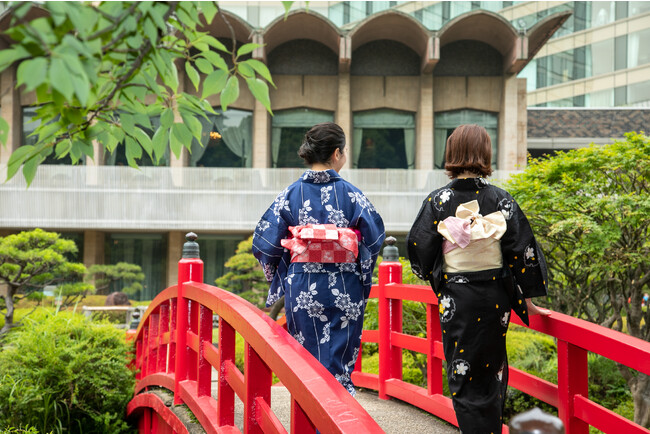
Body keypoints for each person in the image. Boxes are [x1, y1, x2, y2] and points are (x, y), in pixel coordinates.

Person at [407, 124, 551, 433]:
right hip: (494, 297)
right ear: (486, 153)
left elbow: (420, 249)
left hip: (457, 299)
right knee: (491, 371)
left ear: (451, 153)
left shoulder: (438, 200)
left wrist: (439, 277)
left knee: (462, 371)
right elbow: (522, 251)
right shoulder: (500, 199)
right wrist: (527, 298)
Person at [252, 122, 385, 395]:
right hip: (345, 286)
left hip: (303, 285)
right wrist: (355, 263)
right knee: (339, 364)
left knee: (306, 362)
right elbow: (374, 239)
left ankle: (308, 414)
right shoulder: (352, 194)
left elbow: (265, 244)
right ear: (337, 153)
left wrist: (286, 267)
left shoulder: (290, 194)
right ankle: (338, 413)